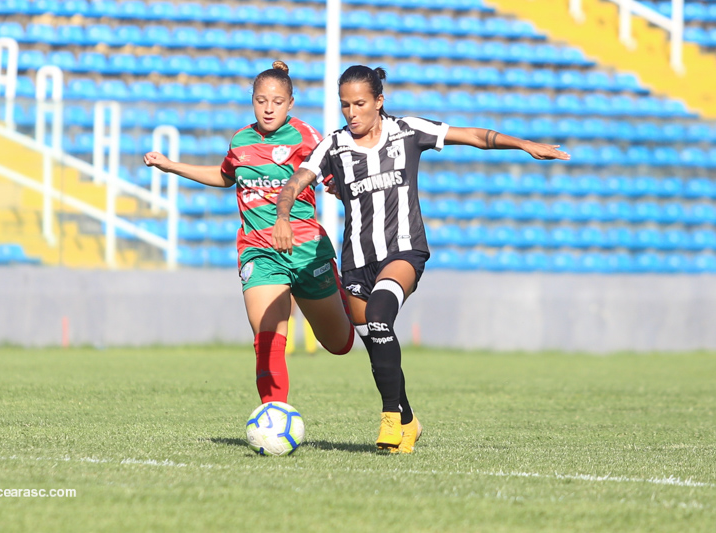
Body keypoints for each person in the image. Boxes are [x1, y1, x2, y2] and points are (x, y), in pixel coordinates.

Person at [273, 65, 570, 453]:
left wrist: (525, 144)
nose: (352, 113)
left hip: (403, 252)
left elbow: (474, 136)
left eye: (360, 103)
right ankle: (410, 421)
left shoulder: (407, 131)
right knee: (377, 345)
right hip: (356, 262)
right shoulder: (334, 146)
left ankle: (390, 418)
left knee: (380, 317)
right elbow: (295, 181)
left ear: (379, 101)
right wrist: (282, 216)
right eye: (345, 105)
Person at [144, 61, 354, 406]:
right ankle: (274, 414)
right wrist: (171, 165)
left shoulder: (307, 137)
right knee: (269, 338)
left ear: (290, 104)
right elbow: (227, 177)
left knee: (339, 344)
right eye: (261, 100)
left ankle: (341, 292)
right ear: (253, 101)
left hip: (306, 251)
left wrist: (340, 188)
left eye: (277, 101)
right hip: (259, 251)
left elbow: (335, 178)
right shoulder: (241, 140)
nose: (268, 108)